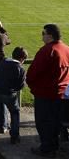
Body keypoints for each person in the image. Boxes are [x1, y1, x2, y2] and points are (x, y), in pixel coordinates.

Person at [27, 24, 69, 157]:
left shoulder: (47, 51)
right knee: (56, 123)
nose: (42, 36)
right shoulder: (66, 49)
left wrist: (32, 85)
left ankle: (46, 149)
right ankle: (54, 146)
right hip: (62, 95)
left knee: (43, 122)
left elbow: (33, 73)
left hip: (45, 94)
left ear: (50, 35)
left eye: (43, 33)